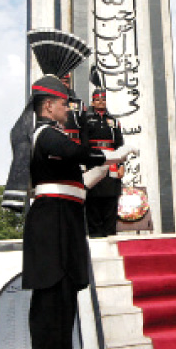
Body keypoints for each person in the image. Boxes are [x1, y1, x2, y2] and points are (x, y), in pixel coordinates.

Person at [3, 29, 135, 349]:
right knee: (50, 313)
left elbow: (77, 174)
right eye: (64, 103)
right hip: (52, 227)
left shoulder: (52, 135)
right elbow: (80, 152)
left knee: (62, 310)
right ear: (47, 107)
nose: (70, 108)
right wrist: (115, 154)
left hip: (64, 221)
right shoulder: (46, 135)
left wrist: (96, 172)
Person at [81, 87, 124, 238]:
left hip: (111, 166)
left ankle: (110, 239)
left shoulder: (113, 121)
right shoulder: (85, 119)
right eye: (97, 99)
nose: (101, 102)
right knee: (93, 207)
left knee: (111, 205)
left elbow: (120, 145)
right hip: (93, 165)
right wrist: (84, 166)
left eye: (103, 99)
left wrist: (121, 165)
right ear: (92, 101)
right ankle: (96, 242)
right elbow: (83, 144)